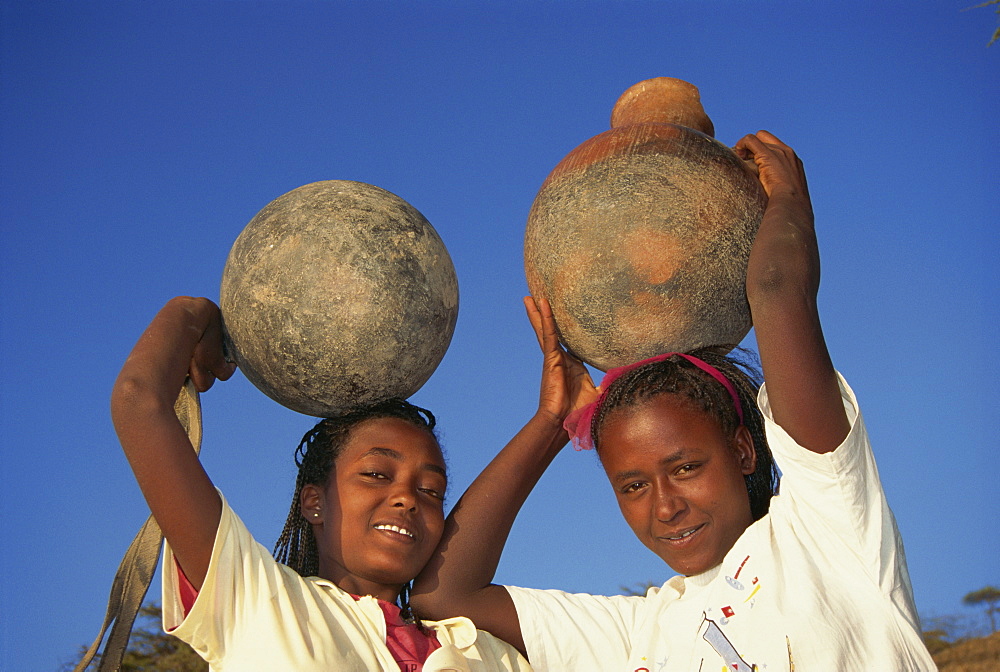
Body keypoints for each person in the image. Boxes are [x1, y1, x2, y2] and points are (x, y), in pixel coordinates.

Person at [411, 131, 937, 670]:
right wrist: (552, 423)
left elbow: (778, 290)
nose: (665, 507)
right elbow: (444, 595)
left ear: (743, 451)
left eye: (685, 467)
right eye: (633, 485)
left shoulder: (828, 532)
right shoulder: (638, 633)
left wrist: (788, 200)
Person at [111, 296, 531, 671]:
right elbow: (139, 401)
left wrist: (554, 419)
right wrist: (193, 312)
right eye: (376, 475)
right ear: (314, 502)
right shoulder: (262, 600)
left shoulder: (489, 653)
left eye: (431, 491)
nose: (406, 498)